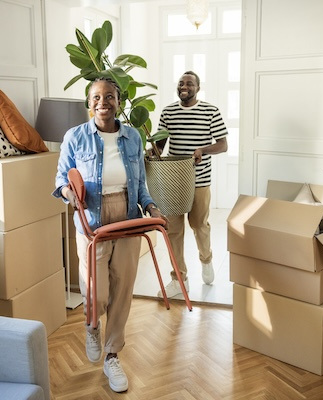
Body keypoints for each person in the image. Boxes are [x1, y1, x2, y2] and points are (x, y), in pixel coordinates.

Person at [53, 77, 167, 393]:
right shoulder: (75, 137)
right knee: (97, 293)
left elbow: (141, 184)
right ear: (89, 103)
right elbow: (61, 178)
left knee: (123, 290)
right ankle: (92, 326)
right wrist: (67, 192)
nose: (103, 102)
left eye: (110, 96)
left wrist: (152, 207)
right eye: (96, 97)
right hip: (92, 222)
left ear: (119, 101)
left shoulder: (132, 138)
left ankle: (112, 355)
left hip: (129, 219)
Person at [155, 71, 228, 298]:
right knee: (174, 230)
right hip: (173, 180)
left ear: (198, 88)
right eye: (180, 83)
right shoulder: (168, 112)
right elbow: (160, 145)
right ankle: (179, 279)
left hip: (200, 181)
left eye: (189, 83)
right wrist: (150, 152)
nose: (184, 86)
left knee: (199, 225)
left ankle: (206, 260)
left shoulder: (210, 111)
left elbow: (223, 145)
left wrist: (202, 150)